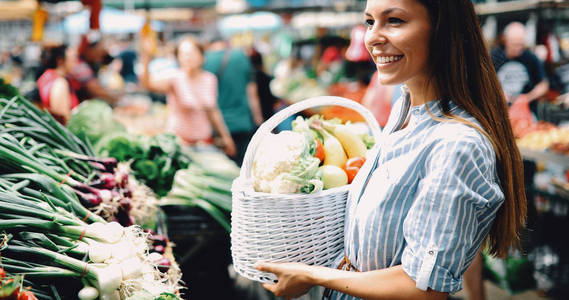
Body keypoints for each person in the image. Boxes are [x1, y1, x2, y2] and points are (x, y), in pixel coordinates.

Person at [254, 1, 527, 299]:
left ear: (442, 30)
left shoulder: (456, 144)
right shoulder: (404, 109)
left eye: (394, 20)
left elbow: (423, 288)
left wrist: (313, 274)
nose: (372, 37)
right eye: (370, 21)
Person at [139, 36, 236, 157]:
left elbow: (213, 111)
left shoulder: (209, 79)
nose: (188, 57)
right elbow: (148, 84)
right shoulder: (174, 78)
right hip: (179, 145)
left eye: (192, 53)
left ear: (202, 56)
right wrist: (146, 56)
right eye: (183, 54)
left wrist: (226, 137)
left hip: (203, 143)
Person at [203, 34, 263, 166]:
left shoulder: (205, 59)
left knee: (222, 171)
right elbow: (252, 92)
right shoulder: (241, 57)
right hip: (242, 122)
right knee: (244, 167)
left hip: (217, 126)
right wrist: (258, 119)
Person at [491, 22, 549, 115]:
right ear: (505, 40)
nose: (518, 48)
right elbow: (485, 83)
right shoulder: (494, 57)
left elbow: (543, 85)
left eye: (520, 44)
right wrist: (498, 94)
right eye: (514, 44)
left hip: (526, 111)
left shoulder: (530, 58)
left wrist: (527, 98)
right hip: (500, 111)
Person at [70, 30, 122, 104]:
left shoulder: (90, 63)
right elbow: (95, 90)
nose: (100, 56)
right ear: (89, 50)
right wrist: (117, 98)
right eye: (99, 51)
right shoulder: (80, 66)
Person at [36, 44, 79, 124]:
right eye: (73, 59)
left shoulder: (46, 76)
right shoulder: (60, 83)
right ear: (60, 61)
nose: (76, 63)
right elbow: (63, 119)